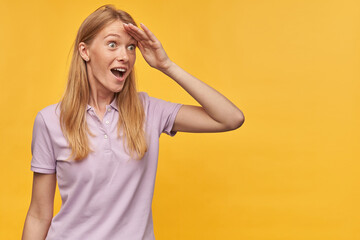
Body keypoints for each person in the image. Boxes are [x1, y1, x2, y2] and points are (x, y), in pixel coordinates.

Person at [22, 4, 244, 240]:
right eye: (112, 44)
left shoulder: (148, 111)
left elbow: (230, 118)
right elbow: (38, 214)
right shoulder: (50, 120)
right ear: (85, 51)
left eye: (131, 47)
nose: (124, 56)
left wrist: (166, 66)